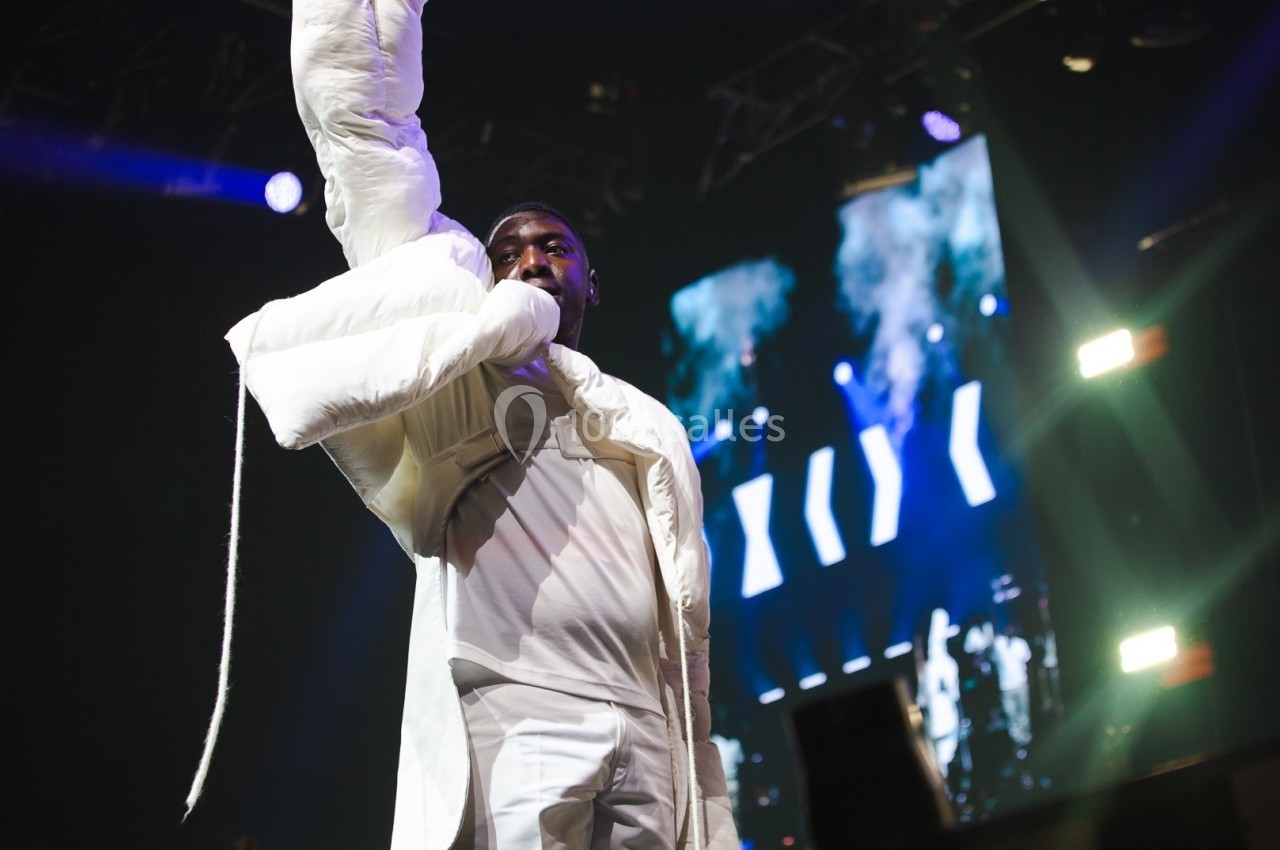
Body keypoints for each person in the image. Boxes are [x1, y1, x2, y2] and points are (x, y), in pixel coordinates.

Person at [220, 1, 737, 849]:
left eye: (555, 248)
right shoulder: (467, 376)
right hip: (523, 703)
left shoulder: (644, 425)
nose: (532, 260)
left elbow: (686, 612)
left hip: (647, 720)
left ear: (592, 284)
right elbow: (371, 146)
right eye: (508, 252)